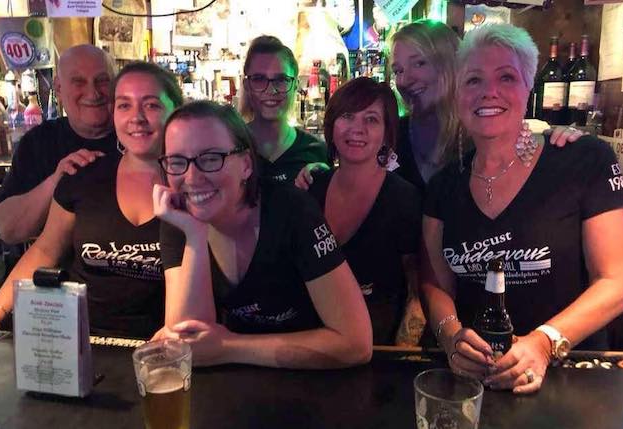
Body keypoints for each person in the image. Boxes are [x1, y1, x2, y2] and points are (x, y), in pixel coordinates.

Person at [421, 23, 623, 394]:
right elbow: (435, 284)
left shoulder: (583, 161)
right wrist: (452, 337)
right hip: (477, 381)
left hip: (571, 380)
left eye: (506, 77)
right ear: (458, 94)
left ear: (528, 87)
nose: (489, 92)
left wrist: (544, 342)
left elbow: (618, 280)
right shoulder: (444, 184)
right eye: (473, 80)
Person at [153, 100, 372, 368]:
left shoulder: (292, 211)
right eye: (177, 161)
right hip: (235, 388)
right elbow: (188, 347)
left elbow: (356, 344)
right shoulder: (181, 218)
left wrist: (228, 347)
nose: (191, 177)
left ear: (246, 164)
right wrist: (195, 236)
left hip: (310, 378)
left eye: (210, 158)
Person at [0, 62, 183, 338]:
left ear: (176, 111)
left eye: (152, 105)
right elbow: (45, 251)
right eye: (124, 105)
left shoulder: (195, 185)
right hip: (80, 342)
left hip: (164, 344)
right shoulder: (84, 175)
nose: (137, 117)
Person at [296, 77, 422, 345]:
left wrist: (400, 355)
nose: (357, 128)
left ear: (387, 134)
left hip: (377, 348)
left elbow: (416, 294)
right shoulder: (312, 188)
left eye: (371, 119)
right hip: (311, 341)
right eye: (347, 115)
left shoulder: (403, 199)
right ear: (332, 126)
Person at [389, 20, 585, 190]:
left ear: (452, 65)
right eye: (398, 71)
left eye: (419, 63)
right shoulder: (390, 135)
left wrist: (562, 141)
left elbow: (531, 154)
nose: (405, 80)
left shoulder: (484, 129)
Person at [0, 44, 117, 244]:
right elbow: (9, 230)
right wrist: (56, 181)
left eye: (102, 81)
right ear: (59, 89)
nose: (93, 93)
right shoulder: (40, 141)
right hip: (58, 271)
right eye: (79, 82)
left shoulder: (136, 138)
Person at [240, 35, 328, 184]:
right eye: (259, 79)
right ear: (247, 85)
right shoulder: (230, 149)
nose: (271, 90)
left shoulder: (315, 151)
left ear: (295, 85)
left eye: (281, 80)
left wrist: (326, 179)